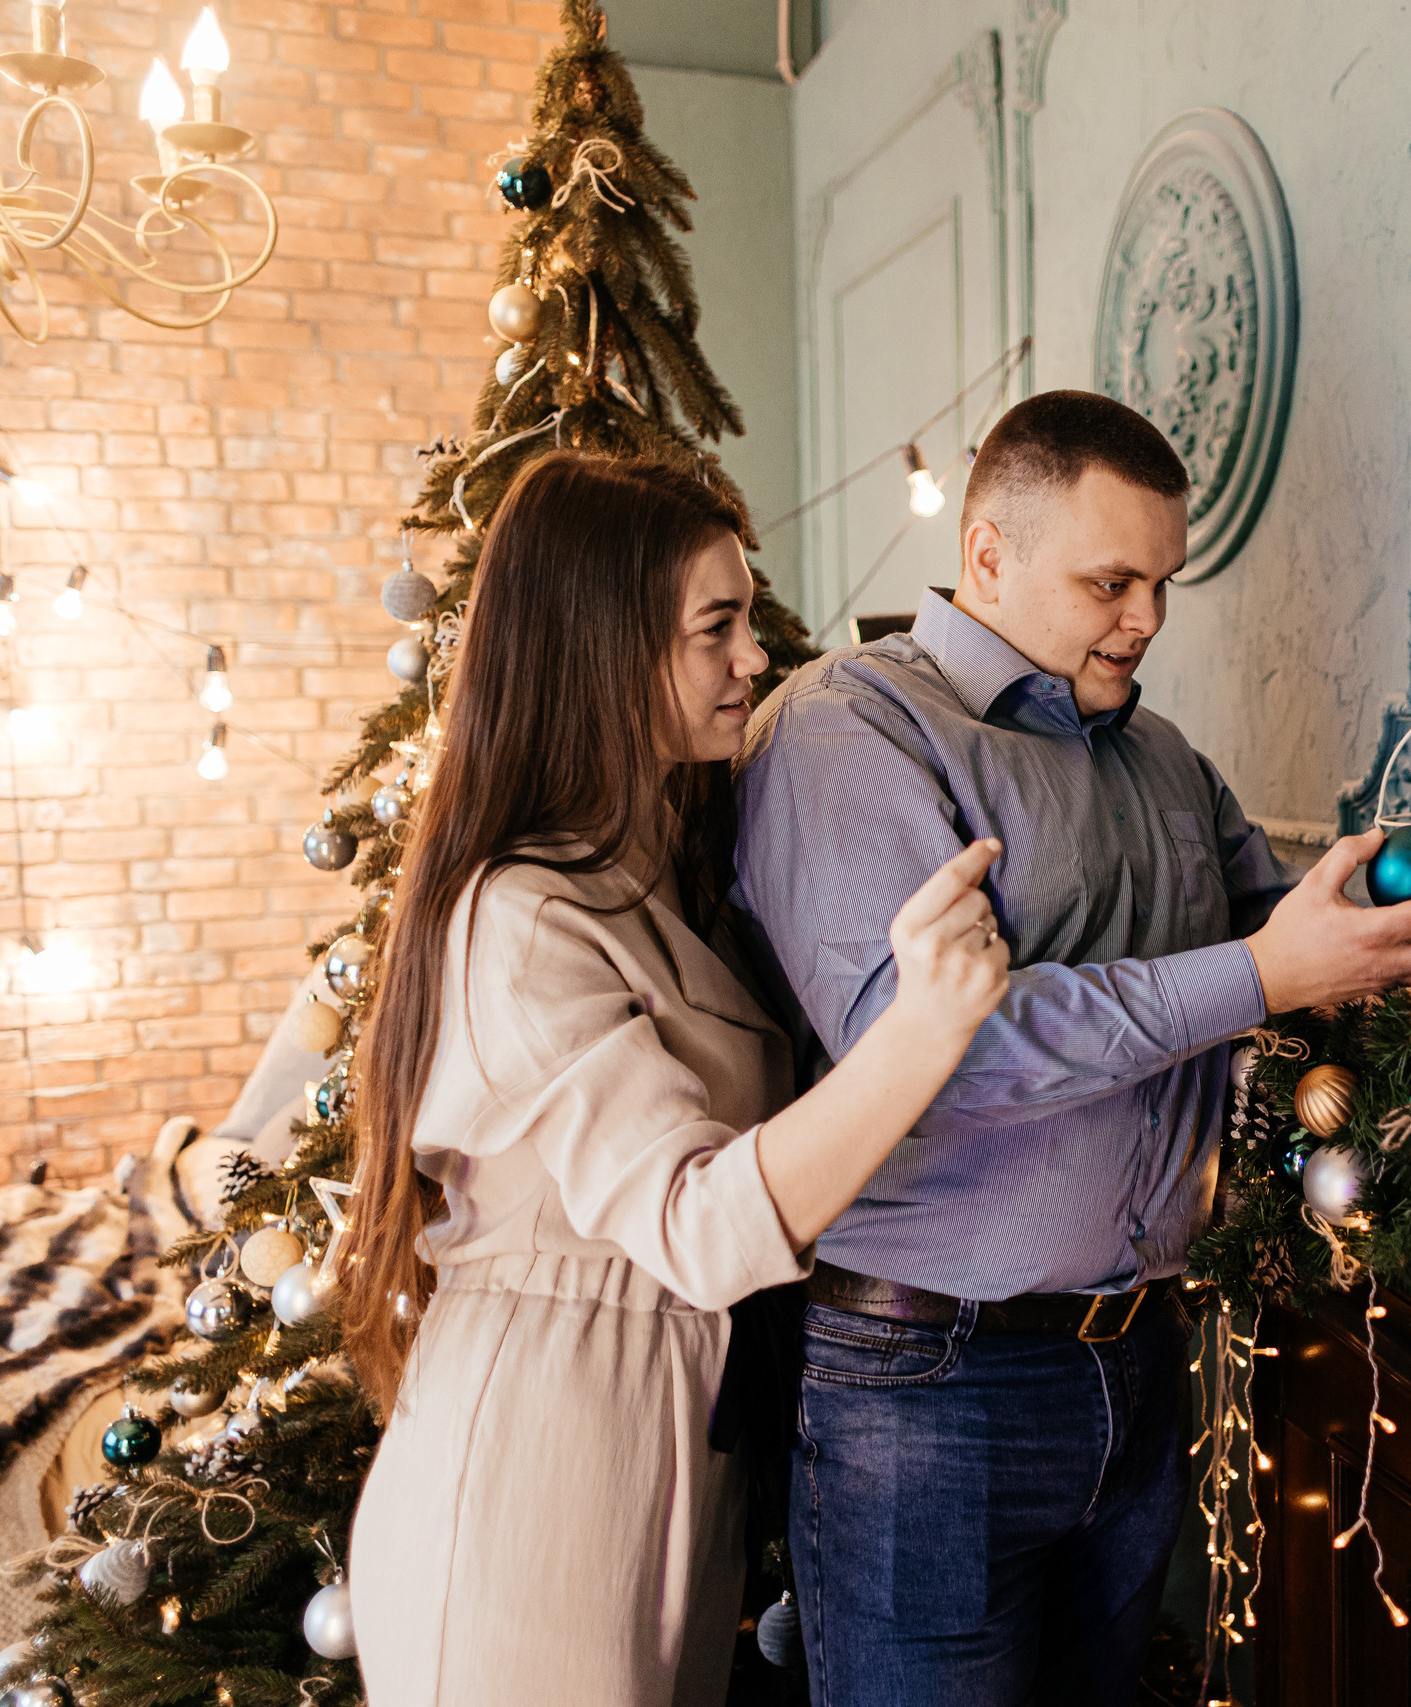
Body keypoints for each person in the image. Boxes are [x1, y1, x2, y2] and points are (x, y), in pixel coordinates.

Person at [732, 390, 1411, 1707]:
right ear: (986, 555)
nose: (1147, 618)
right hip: (924, 1388)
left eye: (1162, 582)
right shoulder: (848, 726)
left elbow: (1281, 947)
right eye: (1110, 582)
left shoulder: (1165, 759)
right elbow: (933, 1047)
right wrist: (1268, 970)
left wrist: (1402, 930)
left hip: (1142, 1365)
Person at [338, 453, 1011, 1707]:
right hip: (530, 1489)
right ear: (605, 646)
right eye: (718, 628)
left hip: (671, 1470)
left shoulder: (656, 871)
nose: (754, 659)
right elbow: (698, 1227)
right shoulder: (519, 919)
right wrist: (924, 1027)